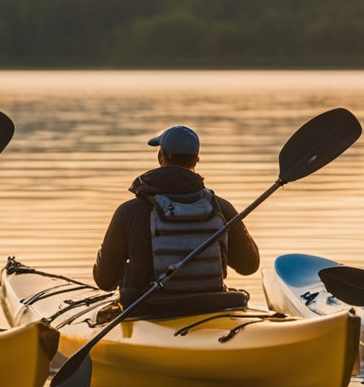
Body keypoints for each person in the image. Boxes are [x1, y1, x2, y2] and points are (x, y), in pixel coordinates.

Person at [92, 125, 260, 316]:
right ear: (197, 160)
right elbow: (249, 266)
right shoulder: (222, 208)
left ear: (160, 157)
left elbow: (104, 281)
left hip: (150, 312)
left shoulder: (129, 212)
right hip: (212, 308)